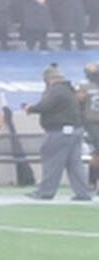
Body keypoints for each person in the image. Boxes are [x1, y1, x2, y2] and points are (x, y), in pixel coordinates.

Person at [32, 66, 92, 201]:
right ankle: (83, 193)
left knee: (52, 161)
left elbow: (44, 106)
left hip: (60, 131)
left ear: (48, 79)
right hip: (75, 129)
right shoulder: (70, 90)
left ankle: (46, 191)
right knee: (75, 164)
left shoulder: (55, 90)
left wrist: (31, 108)